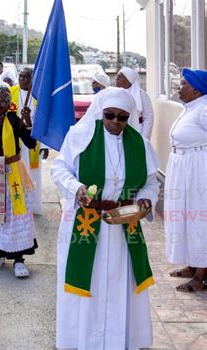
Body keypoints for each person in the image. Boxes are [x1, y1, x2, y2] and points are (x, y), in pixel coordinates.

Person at [51, 88, 160, 349]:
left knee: (120, 281)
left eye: (122, 117)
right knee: (88, 278)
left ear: (129, 117)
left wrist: (146, 200)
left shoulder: (140, 144)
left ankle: (118, 340)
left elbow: (151, 181)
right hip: (86, 220)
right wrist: (76, 188)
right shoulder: (80, 135)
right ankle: (82, 340)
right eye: (109, 115)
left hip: (123, 223)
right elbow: (59, 167)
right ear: (101, 113)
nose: (115, 122)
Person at [0, 86, 38, 278]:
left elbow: (30, 143)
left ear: (8, 104)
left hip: (13, 175)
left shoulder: (14, 120)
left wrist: (27, 122)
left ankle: (18, 260)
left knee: (15, 215)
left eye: (4, 101)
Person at [165, 68, 207, 292]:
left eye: (183, 84)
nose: (179, 88)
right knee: (184, 216)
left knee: (199, 219)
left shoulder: (204, 109)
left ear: (197, 90)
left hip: (199, 172)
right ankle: (193, 264)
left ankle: (203, 276)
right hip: (184, 168)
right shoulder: (191, 107)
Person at [9, 67, 48, 215]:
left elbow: (43, 122)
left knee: (32, 174)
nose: (23, 80)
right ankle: (17, 204)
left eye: (27, 77)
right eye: (21, 76)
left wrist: (44, 146)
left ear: (33, 79)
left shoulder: (38, 96)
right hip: (15, 140)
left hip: (32, 140)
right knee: (16, 173)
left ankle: (32, 207)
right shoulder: (11, 92)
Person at [116, 67, 154, 139]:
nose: (116, 78)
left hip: (136, 131)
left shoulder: (141, 95)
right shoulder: (115, 93)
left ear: (128, 80)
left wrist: (145, 138)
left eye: (120, 76)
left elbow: (148, 117)